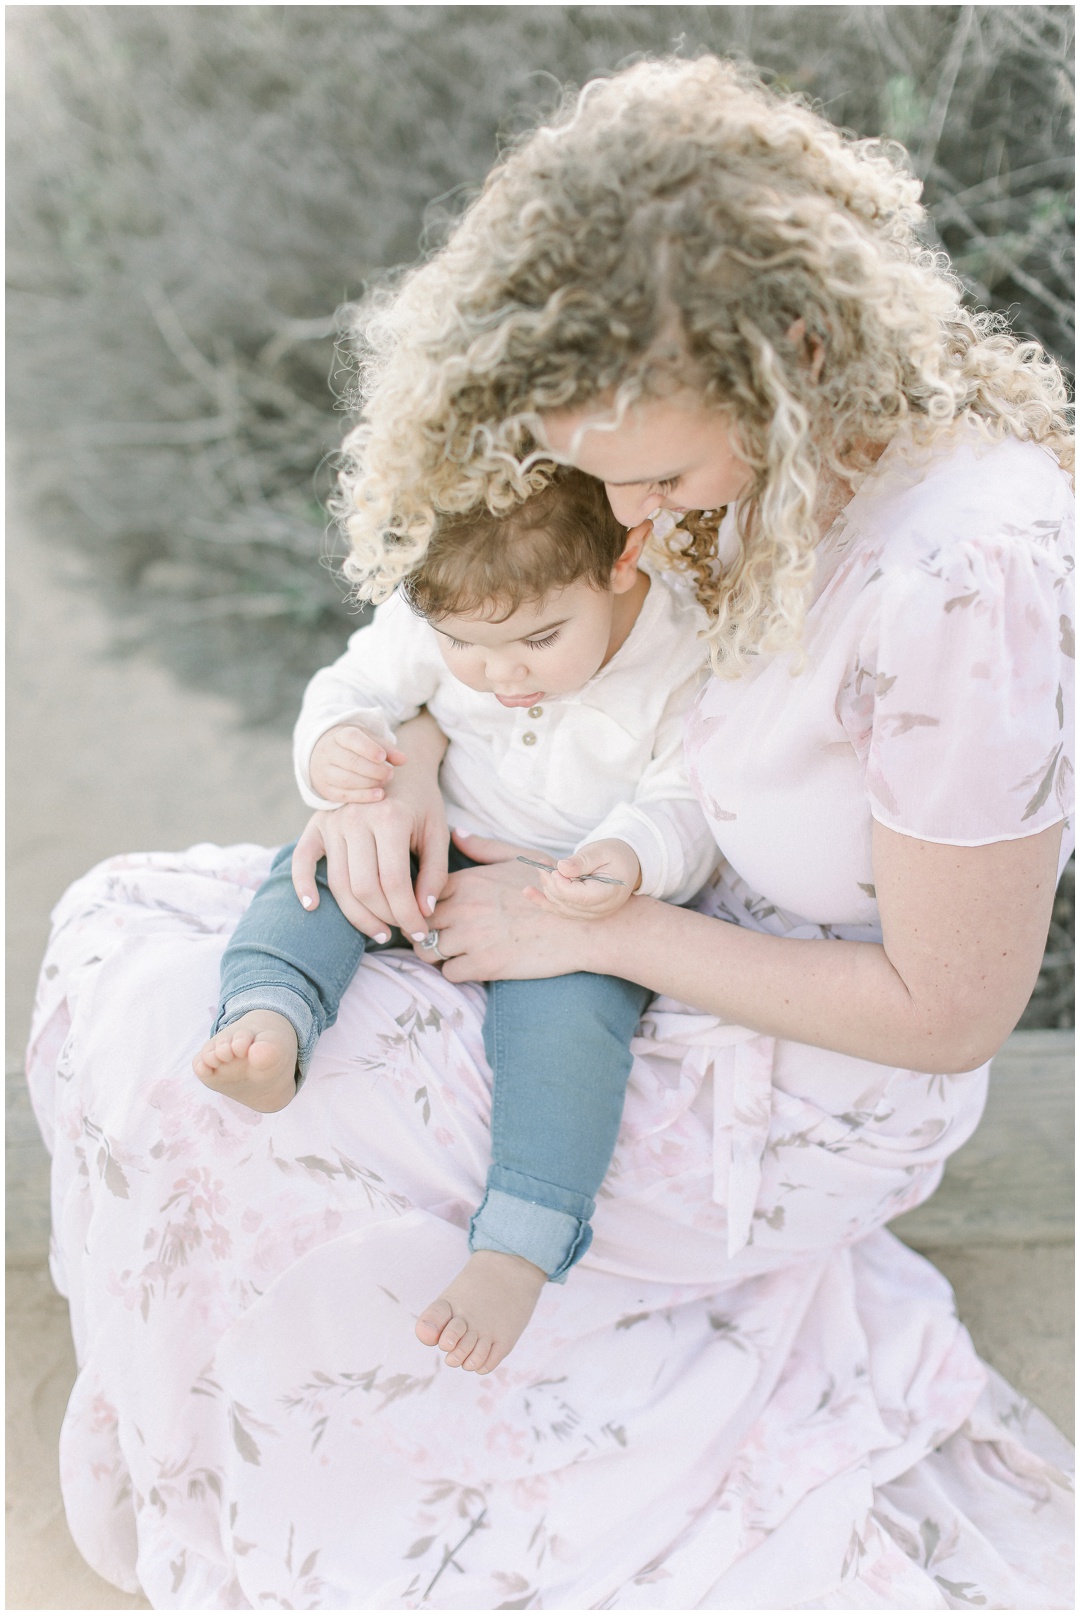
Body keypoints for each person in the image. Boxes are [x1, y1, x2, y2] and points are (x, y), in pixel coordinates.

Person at [27, 55, 1073, 1609]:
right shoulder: (737, 466)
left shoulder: (965, 575)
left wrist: (594, 927)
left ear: (794, 349)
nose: (635, 525)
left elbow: (952, 1010)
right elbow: (595, 684)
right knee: (134, 949)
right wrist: (415, 763)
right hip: (615, 914)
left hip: (791, 1063)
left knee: (222, 1112)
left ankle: (393, 1513)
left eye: (649, 475)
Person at [192, 467, 716, 1372]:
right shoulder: (443, 609)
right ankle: (271, 1012)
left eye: (539, 640)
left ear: (625, 558)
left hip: (571, 893)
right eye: (466, 647)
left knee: (573, 1036)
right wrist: (338, 749)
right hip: (444, 840)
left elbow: (693, 799)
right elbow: (351, 685)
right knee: (318, 869)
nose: (500, 675)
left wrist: (630, 855)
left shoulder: (681, 650)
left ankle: (517, 1243)